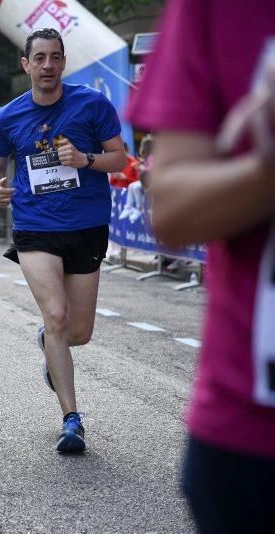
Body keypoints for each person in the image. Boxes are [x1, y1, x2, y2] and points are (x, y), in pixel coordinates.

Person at [127, 2, 275, 531]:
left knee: (70, 324)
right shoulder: (216, 9)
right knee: (59, 322)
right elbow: (170, 210)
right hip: (252, 434)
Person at [0, 27, 126, 453]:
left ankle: (51, 346)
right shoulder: (7, 116)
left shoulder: (92, 104)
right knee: (58, 316)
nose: (48, 65)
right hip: (35, 227)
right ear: (26, 65)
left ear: (64, 62)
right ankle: (71, 419)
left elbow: (120, 158)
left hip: (86, 226)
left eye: (55, 57)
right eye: (40, 58)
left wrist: (85, 160)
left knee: (78, 332)